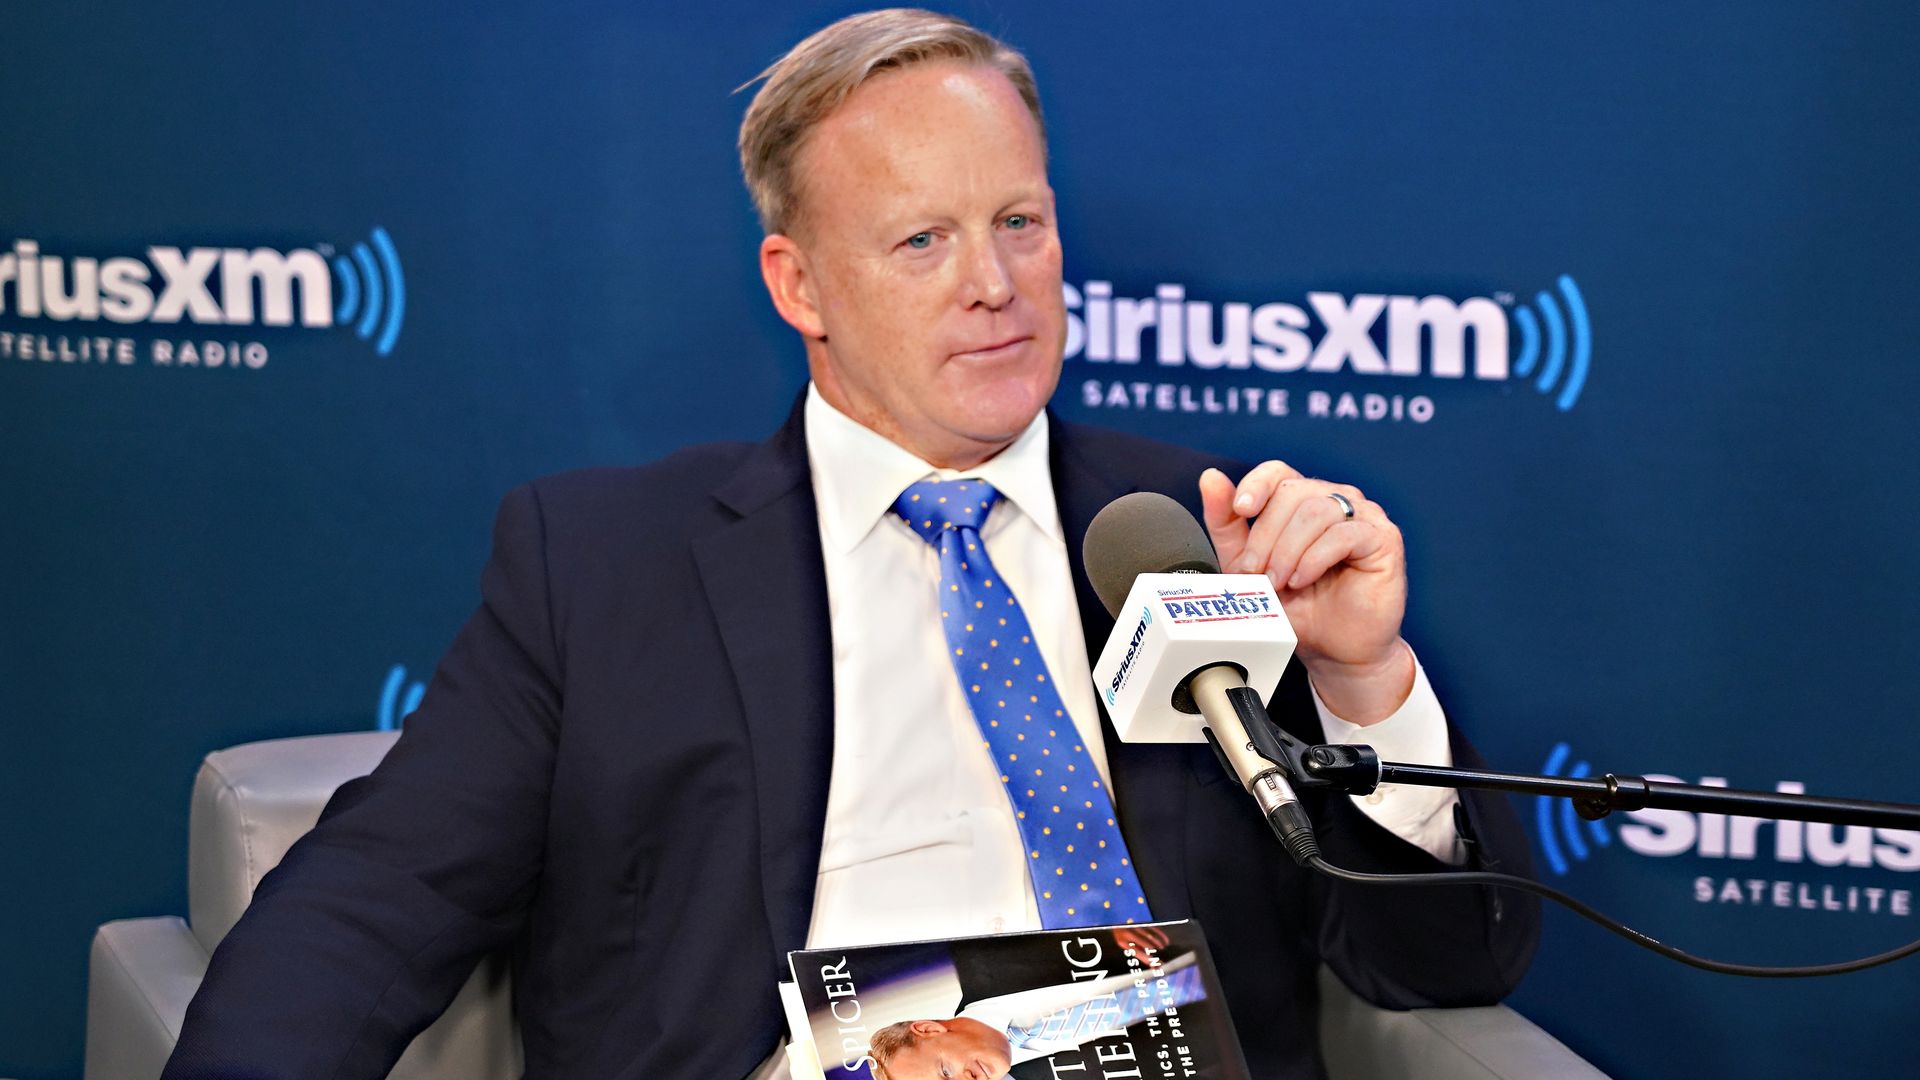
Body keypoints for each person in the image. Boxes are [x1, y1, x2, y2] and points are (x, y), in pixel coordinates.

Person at [163, 10, 1537, 1079]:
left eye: (1019, 223)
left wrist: (1366, 679)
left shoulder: (1190, 532)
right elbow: (373, 902)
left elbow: (1443, 968)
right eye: (922, 241)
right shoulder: (598, 566)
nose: (995, 286)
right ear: (799, 284)